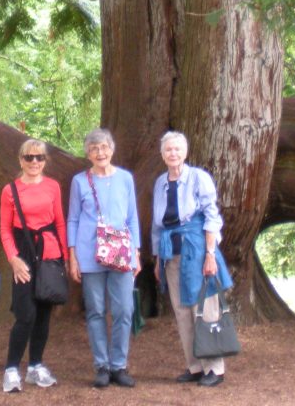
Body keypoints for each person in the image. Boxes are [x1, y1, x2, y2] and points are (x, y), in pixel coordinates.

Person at [151, 130, 233, 388]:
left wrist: (210, 254)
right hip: (171, 253)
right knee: (182, 311)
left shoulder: (199, 178)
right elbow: (158, 226)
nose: (172, 153)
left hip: (197, 251)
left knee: (205, 308)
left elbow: (212, 218)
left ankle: (214, 368)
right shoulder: (160, 183)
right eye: (168, 150)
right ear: (162, 154)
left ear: (185, 152)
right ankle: (195, 366)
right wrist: (157, 259)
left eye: (177, 149)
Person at [67, 128, 141, 388]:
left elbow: (132, 217)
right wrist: (73, 256)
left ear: (112, 149)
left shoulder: (125, 179)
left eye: (104, 147)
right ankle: (102, 365)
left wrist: (137, 253)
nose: (100, 152)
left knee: (124, 310)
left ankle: (119, 365)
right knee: (96, 311)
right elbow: (73, 218)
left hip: (121, 254)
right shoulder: (80, 182)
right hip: (89, 255)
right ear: (88, 153)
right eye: (94, 148)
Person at [0, 138, 68, 393]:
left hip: (49, 252)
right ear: (21, 160)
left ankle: (36, 366)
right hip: (23, 251)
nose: (34, 162)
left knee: (42, 314)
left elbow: (59, 222)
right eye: (29, 157)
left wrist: (64, 258)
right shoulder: (11, 190)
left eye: (39, 157)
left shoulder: (53, 187)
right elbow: (5, 229)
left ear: (45, 161)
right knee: (25, 314)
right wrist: (13, 259)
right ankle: (11, 369)